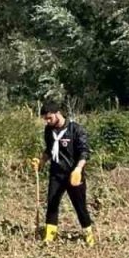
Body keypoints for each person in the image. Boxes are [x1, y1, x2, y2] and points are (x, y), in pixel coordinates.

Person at [36, 102, 96, 246]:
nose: (48, 121)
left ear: (57, 113)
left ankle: (88, 234)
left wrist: (78, 169)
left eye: (49, 118)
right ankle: (50, 236)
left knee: (79, 206)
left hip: (73, 174)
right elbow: (49, 150)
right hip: (56, 174)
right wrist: (41, 162)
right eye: (46, 119)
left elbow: (84, 152)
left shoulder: (75, 130)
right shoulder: (48, 130)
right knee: (52, 203)